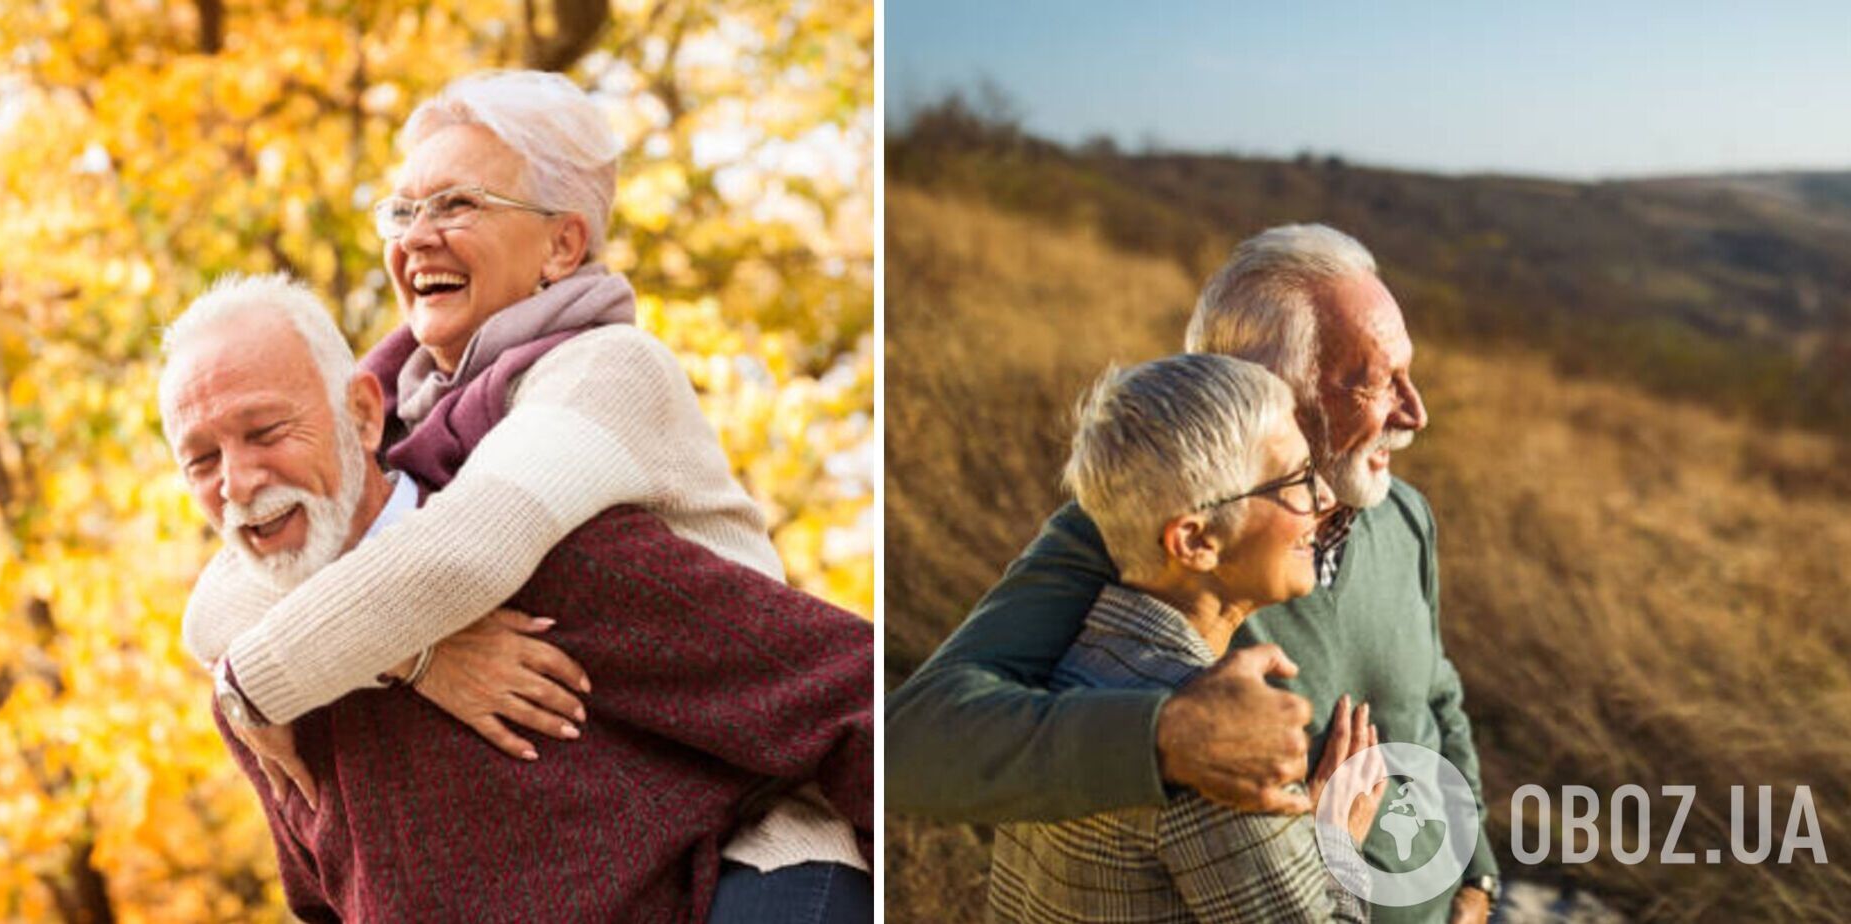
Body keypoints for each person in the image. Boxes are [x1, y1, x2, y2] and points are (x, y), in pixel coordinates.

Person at [180, 70, 869, 918]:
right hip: (617, 829)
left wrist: (252, 685)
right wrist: (417, 657)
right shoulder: (392, 409)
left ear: (561, 247)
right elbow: (224, 594)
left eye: (457, 206)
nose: (416, 238)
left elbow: (464, 554)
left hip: (748, 827)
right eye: (402, 211)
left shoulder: (608, 371)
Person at [886, 225, 1500, 923]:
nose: (1415, 413)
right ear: (1260, 391)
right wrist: (1169, 736)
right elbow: (911, 747)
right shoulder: (1126, 534)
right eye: (1375, 383)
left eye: (1407, 375)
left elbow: (1436, 701)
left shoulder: (1406, 515)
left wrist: (1476, 880)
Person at [987, 353, 1384, 922]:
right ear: (1196, 541)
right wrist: (1337, 845)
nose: (1323, 500)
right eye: (1296, 479)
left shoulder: (1055, 663)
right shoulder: (1218, 753)